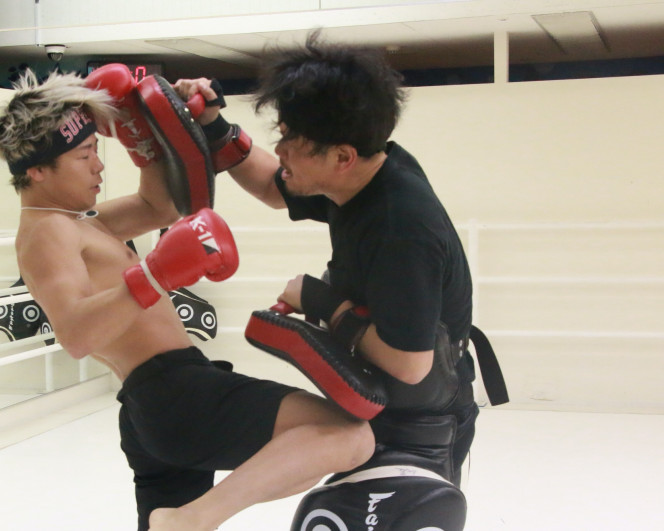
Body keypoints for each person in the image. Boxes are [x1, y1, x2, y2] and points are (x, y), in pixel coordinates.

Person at [0, 68, 374, 531]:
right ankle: (193, 519)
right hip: (174, 393)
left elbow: (162, 207)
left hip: (154, 404)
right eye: (84, 154)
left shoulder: (81, 222)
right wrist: (155, 274)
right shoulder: (47, 231)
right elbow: (76, 334)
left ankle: (183, 520)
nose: (98, 166)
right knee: (348, 436)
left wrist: (141, 137)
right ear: (36, 170)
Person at [175, 31, 483, 521]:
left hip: (420, 428)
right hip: (381, 410)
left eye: (291, 141)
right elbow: (273, 187)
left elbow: (410, 365)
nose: (281, 151)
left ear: (341, 157)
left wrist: (320, 300)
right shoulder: (365, 174)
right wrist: (214, 127)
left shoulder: (400, 226)